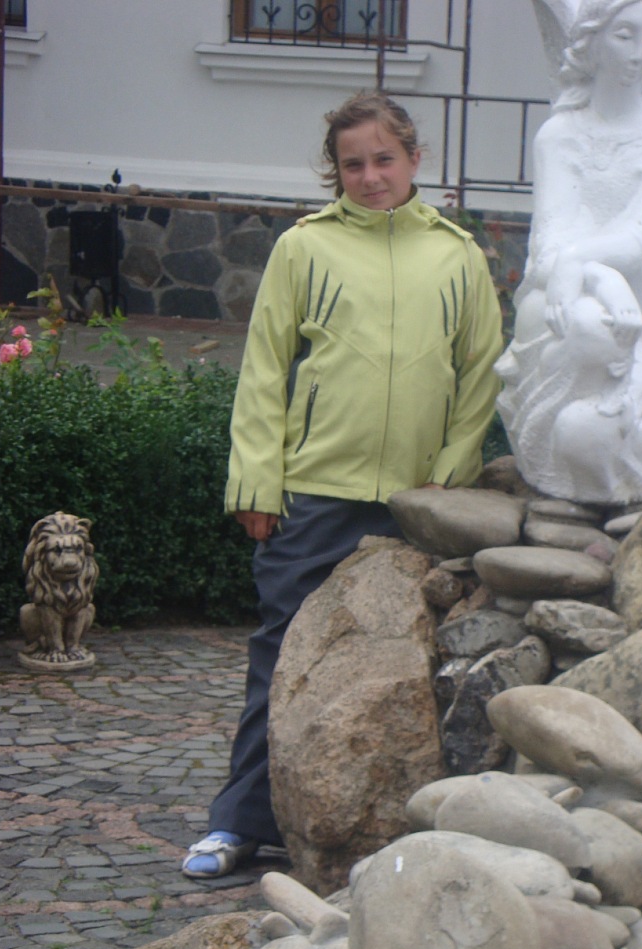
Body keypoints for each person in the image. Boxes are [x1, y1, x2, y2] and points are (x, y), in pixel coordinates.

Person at [182, 92, 503, 879]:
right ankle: (238, 823)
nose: (370, 176)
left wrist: (450, 475)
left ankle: (401, 824)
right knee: (281, 653)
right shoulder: (305, 248)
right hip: (316, 491)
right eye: (353, 164)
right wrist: (256, 482)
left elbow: (480, 372)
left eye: (384, 159)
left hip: (417, 501)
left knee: (413, 663)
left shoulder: (457, 255)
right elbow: (264, 368)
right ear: (336, 172)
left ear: (414, 160)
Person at [494, 0, 642, 504]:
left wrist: (578, 265)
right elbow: (548, 241)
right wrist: (594, 276)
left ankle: (602, 448)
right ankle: (552, 451)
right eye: (624, 35)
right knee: (577, 323)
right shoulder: (559, 135)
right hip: (553, 296)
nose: (639, 53)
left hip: (635, 309)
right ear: (592, 39)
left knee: (593, 334)